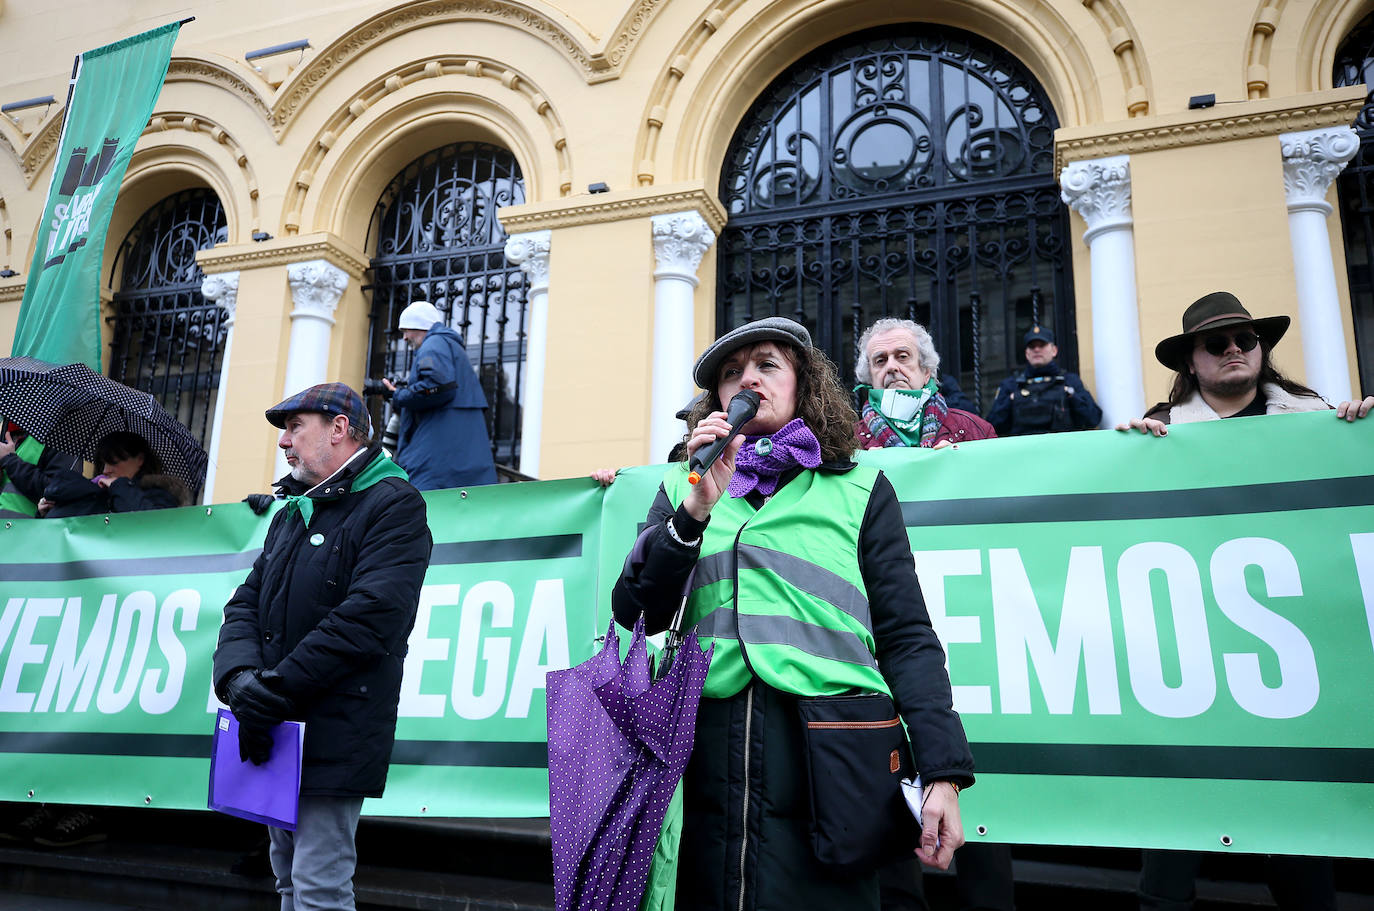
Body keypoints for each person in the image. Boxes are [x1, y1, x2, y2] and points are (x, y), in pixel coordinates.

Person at [612, 316, 974, 911]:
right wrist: (693, 511)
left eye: (766, 366)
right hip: (707, 756)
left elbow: (908, 636)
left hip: (835, 761)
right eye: (731, 374)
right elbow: (636, 614)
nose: (747, 380)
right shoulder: (689, 484)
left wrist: (942, 771)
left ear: (803, 385)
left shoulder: (862, 488)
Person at [1118, 291, 1374, 911]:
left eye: (1246, 340)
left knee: (1299, 858)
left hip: (1291, 677)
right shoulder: (1157, 433)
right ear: (1191, 362)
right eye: (1217, 343)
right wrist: (1123, 455)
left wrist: (1356, 439)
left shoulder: (1317, 421)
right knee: (1171, 858)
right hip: (1191, 674)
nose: (1235, 350)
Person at [212, 382, 432, 911]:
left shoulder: (394, 504)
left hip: (334, 729)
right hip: (276, 727)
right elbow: (245, 603)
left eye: (294, 427)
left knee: (319, 887)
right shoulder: (295, 509)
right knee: (287, 878)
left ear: (339, 429)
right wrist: (240, 681)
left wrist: (273, 690)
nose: (283, 442)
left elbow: (370, 617)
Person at [381, 300, 496, 490]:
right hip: (457, 448)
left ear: (418, 326)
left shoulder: (433, 343)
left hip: (438, 451)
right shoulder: (449, 344)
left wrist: (398, 395)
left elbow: (438, 385)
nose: (404, 338)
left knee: (421, 498)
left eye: (405, 330)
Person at [853, 317, 996, 449]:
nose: (891, 367)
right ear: (870, 377)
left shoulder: (976, 430)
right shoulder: (850, 442)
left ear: (926, 372)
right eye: (880, 361)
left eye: (902, 356)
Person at [32, 431, 190, 518]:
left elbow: (150, 523)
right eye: (103, 463)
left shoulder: (161, 493)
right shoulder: (97, 490)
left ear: (140, 459)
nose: (105, 470)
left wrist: (119, 487)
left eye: (114, 462)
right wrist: (45, 513)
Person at [986, 325, 1102, 435]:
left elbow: (1093, 419)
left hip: (1062, 450)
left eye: (1042, 345)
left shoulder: (1070, 381)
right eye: (1032, 346)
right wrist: (1010, 401)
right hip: (1023, 451)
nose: (1037, 350)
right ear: (1027, 353)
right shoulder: (1011, 385)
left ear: (1054, 350)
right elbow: (991, 426)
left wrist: (1072, 396)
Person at [0, 420, 81, 518]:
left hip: (26, 529)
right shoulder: (7, 428)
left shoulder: (61, 438)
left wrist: (9, 460)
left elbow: (57, 490)